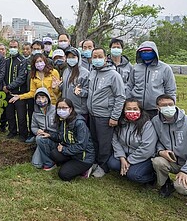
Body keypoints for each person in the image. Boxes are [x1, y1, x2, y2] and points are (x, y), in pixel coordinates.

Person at [151, 94, 187, 197]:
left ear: (175, 104)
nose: (168, 107)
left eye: (170, 104)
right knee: (157, 161)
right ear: (158, 108)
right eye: (164, 105)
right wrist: (160, 151)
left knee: (182, 188)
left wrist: (186, 170)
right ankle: (166, 185)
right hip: (173, 161)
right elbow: (156, 141)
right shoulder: (155, 122)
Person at [87, 47, 125, 178]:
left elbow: (120, 97)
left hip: (105, 115)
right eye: (94, 57)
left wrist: (114, 116)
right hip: (92, 113)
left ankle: (103, 166)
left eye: (99, 56)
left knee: (104, 143)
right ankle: (95, 162)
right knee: (94, 140)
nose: (96, 59)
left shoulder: (114, 75)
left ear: (105, 58)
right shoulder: (92, 72)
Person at [107, 98, 157, 184]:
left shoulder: (147, 124)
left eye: (135, 109)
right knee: (112, 164)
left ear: (140, 110)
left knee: (134, 175)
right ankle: (127, 168)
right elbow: (115, 141)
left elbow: (147, 148)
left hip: (144, 157)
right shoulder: (120, 123)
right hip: (125, 154)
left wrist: (129, 160)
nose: (132, 111)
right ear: (123, 110)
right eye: (128, 109)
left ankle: (152, 177)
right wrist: (122, 158)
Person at [44, 98, 95, 180]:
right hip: (72, 153)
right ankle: (71, 165)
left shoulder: (79, 123)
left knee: (63, 174)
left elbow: (81, 146)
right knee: (54, 154)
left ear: (70, 109)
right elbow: (61, 137)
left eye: (64, 108)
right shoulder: (63, 120)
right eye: (59, 108)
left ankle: (86, 168)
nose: (61, 110)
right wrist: (49, 135)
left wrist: (64, 149)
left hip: (83, 157)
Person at [126, 41, 177, 118]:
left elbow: (170, 89)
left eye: (148, 51)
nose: (145, 53)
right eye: (143, 51)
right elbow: (129, 86)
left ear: (154, 52)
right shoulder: (135, 68)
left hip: (156, 108)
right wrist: (128, 102)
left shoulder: (165, 68)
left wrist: (169, 107)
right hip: (137, 108)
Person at [2, 39, 29, 141]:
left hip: (19, 93)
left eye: (15, 47)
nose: (12, 49)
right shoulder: (6, 61)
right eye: (11, 47)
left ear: (18, 48)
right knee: (10, 114)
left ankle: (23, 134)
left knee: (21, 116)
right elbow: (2, 75)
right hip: (8, 93)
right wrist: (5, 87)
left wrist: (9, 87)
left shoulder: (22, 61)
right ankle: (12, 131)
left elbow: (21, 78)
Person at [29, 88, 58, 170]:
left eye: (43, 97)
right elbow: (33, 127)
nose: (40, 100)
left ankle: (50, 163)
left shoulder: (55, 110)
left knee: (39, 139)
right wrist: (37, 131)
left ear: (48, 98)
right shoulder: (35, 113)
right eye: (38, 98)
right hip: (43, 138)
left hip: (55, 138)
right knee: (36, 164)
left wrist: (51, 134)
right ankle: (48, 157)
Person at [60, 48, 90, 122]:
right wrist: (59, 86)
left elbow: (89, 91)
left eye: (73, 57)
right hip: (66, 109)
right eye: (69, 57)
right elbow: (66, 88)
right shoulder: (66, 71)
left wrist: (80, 92)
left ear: (78, 58)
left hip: (79, 111)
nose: (71, 59)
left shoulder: (85, 73)